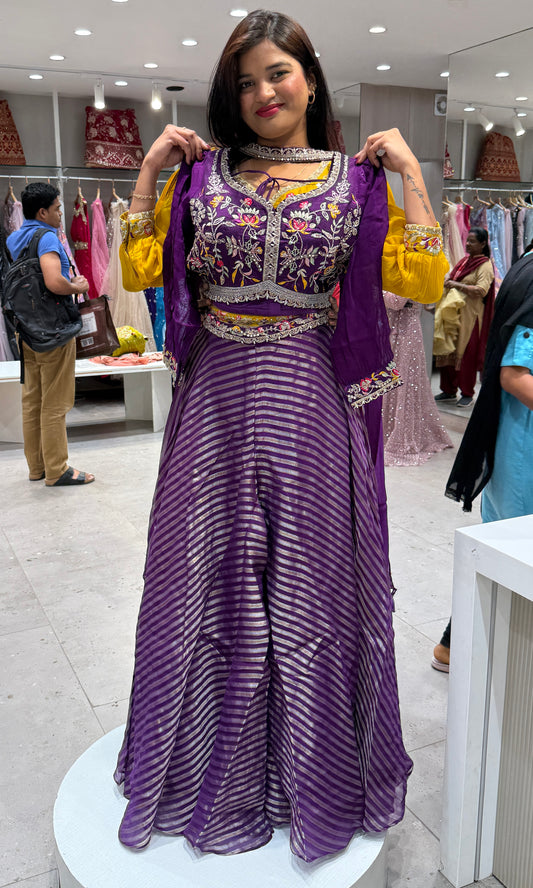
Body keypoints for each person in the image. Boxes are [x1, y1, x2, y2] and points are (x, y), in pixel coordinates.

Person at [114, 10, 448, 861]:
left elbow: (417, 280)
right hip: (215, 405)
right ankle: (196, 772)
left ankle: (315, 776)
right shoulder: (202, 176)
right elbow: (138, 271)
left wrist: (410, 175)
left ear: (308, 78)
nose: (263, 93)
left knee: (310, 590)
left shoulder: (353, 178)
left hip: (308, 403)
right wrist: (152, 170)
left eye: (278, 74)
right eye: (247, 80)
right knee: (202, 580)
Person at [433, 241, 533, 673]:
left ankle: (456, 645)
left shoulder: (526, 262)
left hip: (512, 441)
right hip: (522, 447)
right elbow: (516, 375)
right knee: (511, 550)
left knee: (502, 548)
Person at [6, 183, 94, 486]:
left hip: (25, 328)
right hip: (53, 330)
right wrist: (78, 287)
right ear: (42, 212)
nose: (60, 213)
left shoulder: (14, 238)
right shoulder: (45, 238)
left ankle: (37, 467)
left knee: (33, 399)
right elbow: (55, 281)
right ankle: (58, 470)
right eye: (57, 208)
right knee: (56, 402)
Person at [383, 292, 452, 465]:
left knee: (404, 379)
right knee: (396, 379)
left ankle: (400, 433)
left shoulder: (413, 268)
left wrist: (375, 289)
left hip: (406, 330)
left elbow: (396, 301)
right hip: (398, 326)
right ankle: (384, 428)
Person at [433, 227, 495, 408]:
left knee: (466, 353)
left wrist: (455, 285)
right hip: (452, 314)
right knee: (448, 349)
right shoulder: (464, 261)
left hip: (470, 316)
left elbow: (481, 290)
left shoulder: (485, 265)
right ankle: (448, 389)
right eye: (467, 240)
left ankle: (467, 393)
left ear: (483, 244)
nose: (467, 244)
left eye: (472, 241)